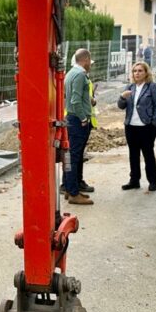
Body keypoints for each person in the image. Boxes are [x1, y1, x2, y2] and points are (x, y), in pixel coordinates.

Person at [117, 62, 156, 191]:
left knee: (148, 153)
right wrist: (122, 97)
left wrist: (154, 122)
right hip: (131, 126)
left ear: (146, 73)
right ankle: (134, 180)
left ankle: (152, 181)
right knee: (133, 154)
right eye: (135, 71)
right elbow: (121, 106)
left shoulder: (152, 87)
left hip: (147, 126)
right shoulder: (130, 87)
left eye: (140, 71)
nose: (137, 73)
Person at [62, 49, 94, 205]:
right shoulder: (80, 75)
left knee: (71, 156)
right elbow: (75, 100)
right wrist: (83, 118)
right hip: (77, 120)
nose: (90, 65)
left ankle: (70, 189)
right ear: (86, 59)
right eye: (90, 61)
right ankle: (74, 193)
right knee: (74, 157)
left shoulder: (70, 73)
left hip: (71, 119)